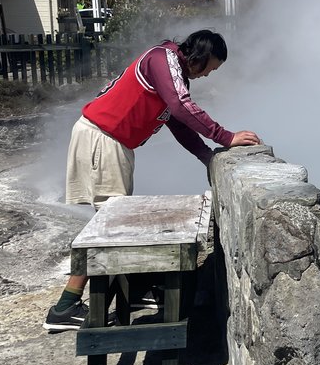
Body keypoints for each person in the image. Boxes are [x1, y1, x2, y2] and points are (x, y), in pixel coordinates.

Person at [44, 29, 261, 332]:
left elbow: (178, 124)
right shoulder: (162, 59)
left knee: (114, 224)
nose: (207, 75)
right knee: (109, 228)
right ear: (199, 54)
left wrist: (206, 156)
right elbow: (181, 107)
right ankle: (65, 307)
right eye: (209, 68)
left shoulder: (173, 72)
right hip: (103, 138)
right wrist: (225, 136)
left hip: (112, 141)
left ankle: (133, 290)